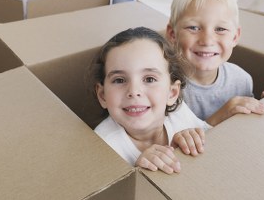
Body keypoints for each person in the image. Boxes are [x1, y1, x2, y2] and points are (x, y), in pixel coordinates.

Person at [166, 0, 264, 126]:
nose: (207, 40)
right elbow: (172, 144)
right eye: (194, 27)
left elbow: (244, 128)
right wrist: (220, 116)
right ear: (173, 35)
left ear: (235, 37)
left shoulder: (241, 80)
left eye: (220, 29)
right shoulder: (164, 88)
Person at [88, 27, 210, 174]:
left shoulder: (178, 112)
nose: (134, 91)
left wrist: (193, 137)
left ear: (172, 93)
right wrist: (137, 172)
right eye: (119, 80)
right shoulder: (103, 145)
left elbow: (212, 140)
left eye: (149, 79)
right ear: (103, 95)